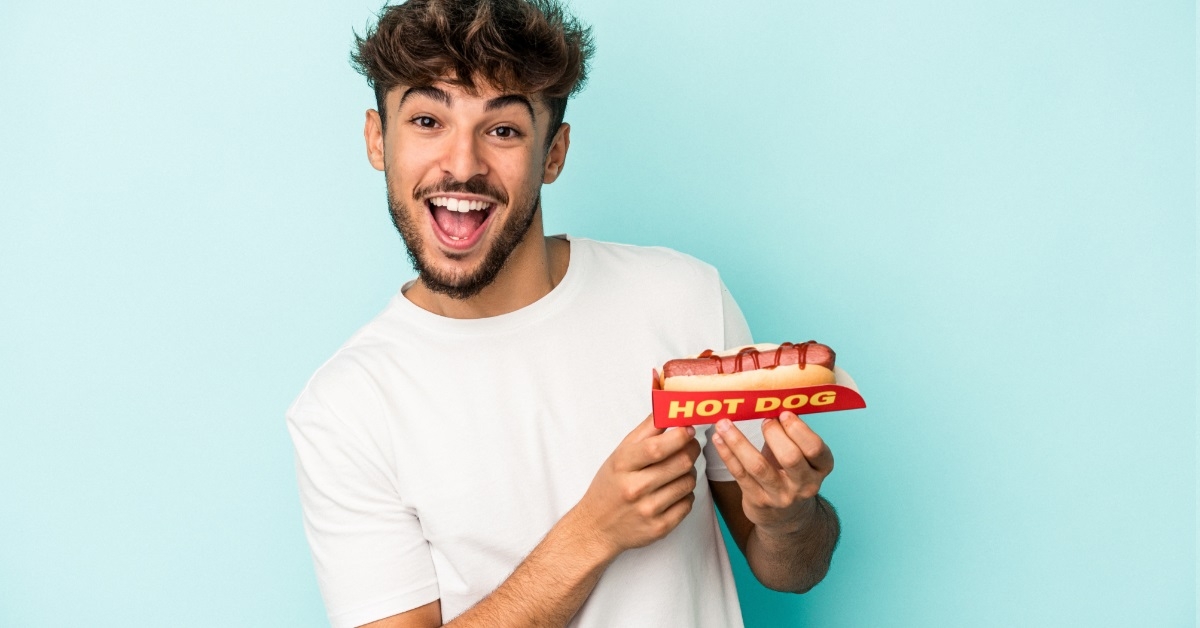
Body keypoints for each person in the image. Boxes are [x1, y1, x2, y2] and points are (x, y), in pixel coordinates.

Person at [285, 1, 841, 626]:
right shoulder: (346, 407)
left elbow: (791, 570)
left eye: (503, 130)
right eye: (426, 120)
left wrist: (791, 518)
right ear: (376, 139)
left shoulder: (683, 296)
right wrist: (592, 533)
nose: (462, 164)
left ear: (553, 153)